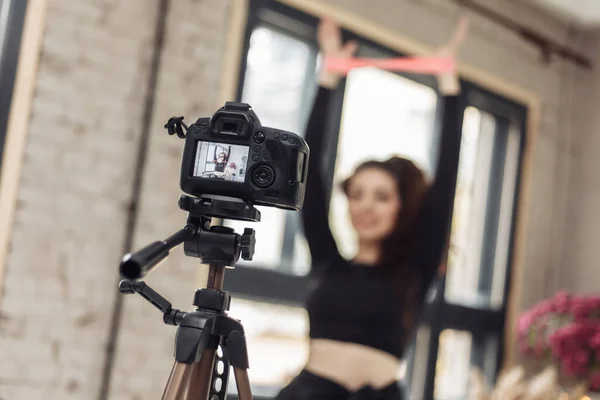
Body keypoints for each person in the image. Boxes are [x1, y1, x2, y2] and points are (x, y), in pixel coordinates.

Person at [275, 17, 468, 400]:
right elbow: (308, 178)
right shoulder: (328, 261)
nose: (365, 206)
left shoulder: (415, 269)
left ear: (403, 207)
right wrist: (328, 78)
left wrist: (449, 88)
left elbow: (446, 180)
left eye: (381, 197)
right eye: (357, 194)